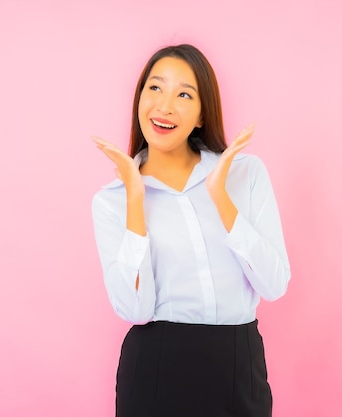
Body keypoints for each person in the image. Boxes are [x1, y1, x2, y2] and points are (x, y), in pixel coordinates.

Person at [91, 44, 290, 417]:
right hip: (155, 368)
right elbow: (135, 309)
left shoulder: (245, 173)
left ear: (202, 114)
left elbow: (274, 284)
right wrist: (135, 196)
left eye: (184, 94)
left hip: (238, 366)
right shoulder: (111, 200)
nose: (165, 106)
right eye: (155, 88)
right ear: (139, 98)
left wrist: (220, 196)